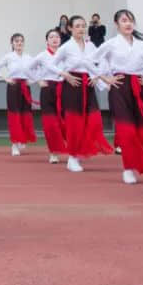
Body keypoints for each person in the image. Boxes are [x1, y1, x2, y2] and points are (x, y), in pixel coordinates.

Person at [93, 10, 143, 185]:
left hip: (138, 87)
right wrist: (105, 78)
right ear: (117, 24)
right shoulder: (111, 44)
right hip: (119, 87)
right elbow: (91, 61)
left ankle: (139, 158)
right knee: (126, 131)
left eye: (130, 21)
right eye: (124, 20)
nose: (128, 24)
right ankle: (128, 168)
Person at [49, 15, 112, 172]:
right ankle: (73, 157)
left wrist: (97, 77)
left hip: (88, 85)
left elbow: (101, 62)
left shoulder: (91, 46)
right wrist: (64, 75)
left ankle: (82, 150)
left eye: (83, 26)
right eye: (77, 26)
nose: (81, 29)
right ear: (70, 28)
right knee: (74, 123)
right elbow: (50, 64)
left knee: (94, 120)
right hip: (73, 85)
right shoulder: (66, 47)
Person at [0, 33, 36, 156]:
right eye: (16, 41)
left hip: (25, 87)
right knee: (14, 114)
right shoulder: (8, 57)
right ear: (12, 43)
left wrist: (31, 80)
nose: (19, 43)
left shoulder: (29, 57)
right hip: (13, 87)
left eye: (21, 41)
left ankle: (22, 139)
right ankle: (15, 144)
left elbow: (37, 70)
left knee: (25, 114)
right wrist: (5, 78)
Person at [27, 29, 68, 164]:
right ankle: (53, 153)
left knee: (67, 121)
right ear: (47, 41)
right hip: (47, 89)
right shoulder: (42, 56)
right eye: (51, 37)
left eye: (57, 37)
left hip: (64, 89)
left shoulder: (65, 54)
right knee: (50, 124)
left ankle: (71, 149)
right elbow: (28, 69)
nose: (55, 39)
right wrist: (38, 80)